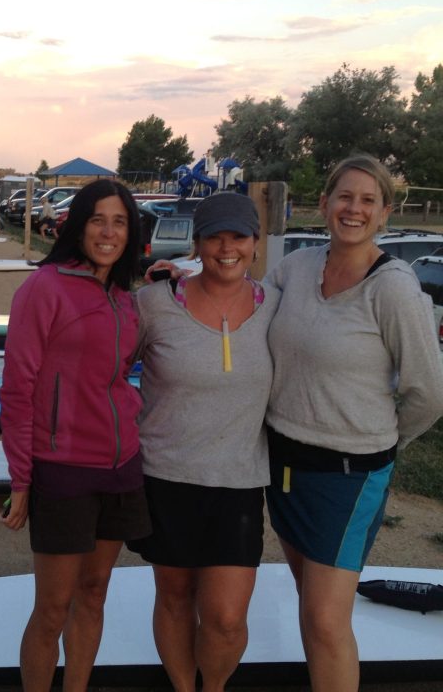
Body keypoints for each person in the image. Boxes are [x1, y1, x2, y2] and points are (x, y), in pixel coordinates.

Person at [264, 153, 443, 692]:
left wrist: (382, 440)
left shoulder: (393, 288)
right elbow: (244, 309)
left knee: (324, 619)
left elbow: (428, 394)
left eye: (368, 200)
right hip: (283, 462)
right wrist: (176, 281)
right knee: (311, 603)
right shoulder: (295, 268)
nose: (354, 208)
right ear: (323, 203)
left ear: (385, 212)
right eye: (345, 196)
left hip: (348, 473)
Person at [0, 179, 151, 692]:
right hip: (63, 469)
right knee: (52, 608)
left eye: (120, 222)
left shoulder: (127, 297)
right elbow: (17, 390)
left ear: (131, 232)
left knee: (95, 592)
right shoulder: (44, 288)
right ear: (78, 225)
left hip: (121, 466)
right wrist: (22, 480)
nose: (108, 232)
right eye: (97, 219)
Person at [128, 193, 280, 692]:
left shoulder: (276, 307)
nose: (226, 247)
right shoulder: (154, 304)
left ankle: (211, 687)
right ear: (198, 244)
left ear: (255, 244)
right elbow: (102, 371)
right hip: (165, 477)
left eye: (238, 236)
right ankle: (181, 685)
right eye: (215, 236)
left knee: (226, 618)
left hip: (237, 482)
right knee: (174, 596)